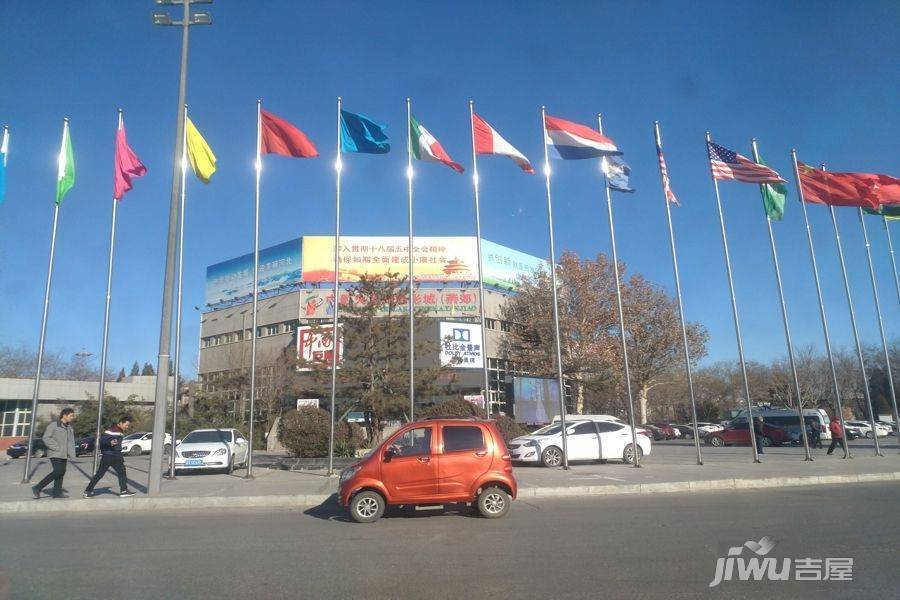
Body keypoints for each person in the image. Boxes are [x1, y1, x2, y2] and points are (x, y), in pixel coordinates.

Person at [83, 415, 136, 498]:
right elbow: (103, 439)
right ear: (121, 423)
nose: (127, 426)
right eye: (126, 424)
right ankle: (88, 491)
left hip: (116, 455)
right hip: (109, 455)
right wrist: (110, 441)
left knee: (122, 472)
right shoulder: (112, 430)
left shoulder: (119, 430)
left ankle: (124, 491)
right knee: (100, 474)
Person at [32, 408, 77, 499]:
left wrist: (72, 455)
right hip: (55, 453)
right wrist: (56, 447)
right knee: (58, 471)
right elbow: (46, 438)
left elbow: (71, 442)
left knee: (61, 473)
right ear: (64, 415)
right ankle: (37, 487)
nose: (72, 417)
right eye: (71, 416)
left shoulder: (69, 428)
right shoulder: (54, 425)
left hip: (64, 455)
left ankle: (57, 493)